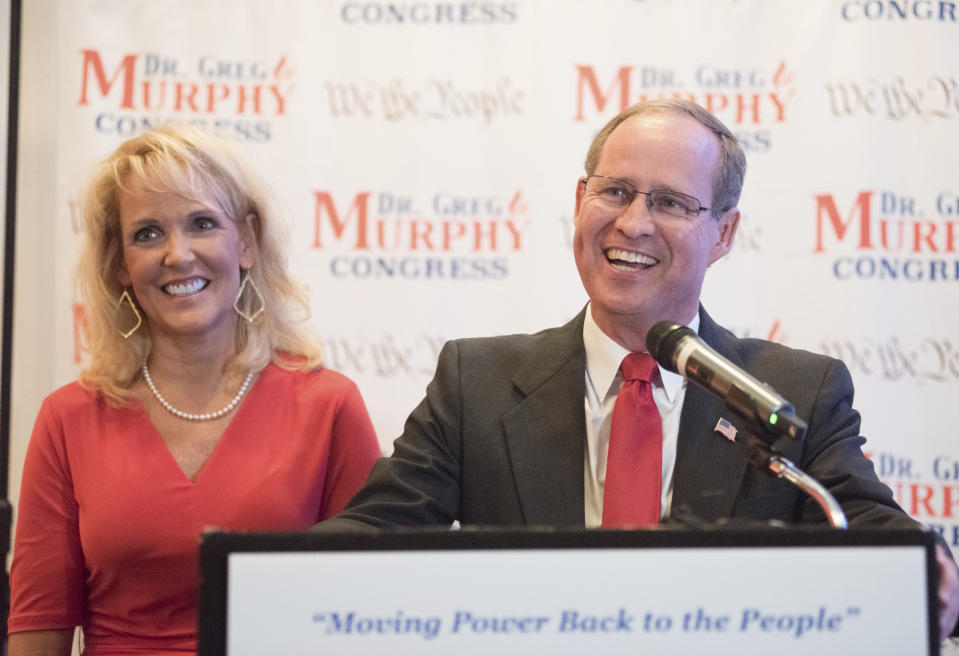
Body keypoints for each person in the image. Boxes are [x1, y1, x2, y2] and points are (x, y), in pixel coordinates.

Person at [316, 99, 959, 638]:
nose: (632, 223)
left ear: (725, 233)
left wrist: (926, 569)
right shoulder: (475, 381)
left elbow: (873, 529)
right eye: (615, 191)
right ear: (579, 198)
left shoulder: (793, 392)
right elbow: (374, 534)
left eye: (673, 203)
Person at [7, 124, 382, 655]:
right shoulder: (67, 418)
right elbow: (37, 631)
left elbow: (369, 615)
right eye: (147, 233)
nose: (178, 255)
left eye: (202, 223)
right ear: (119, 265)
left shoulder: (328, 405)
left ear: (246, 241)